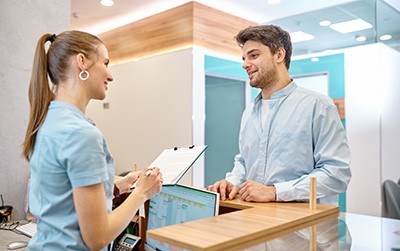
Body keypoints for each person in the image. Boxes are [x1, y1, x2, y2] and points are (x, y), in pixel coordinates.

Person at [22, 30, 163, 250]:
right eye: (105, 63)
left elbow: (62, 196)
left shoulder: (48, 120)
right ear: (82, 62)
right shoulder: (81, 134)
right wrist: (141, 193)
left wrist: (116, 187)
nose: (110, 75)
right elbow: (97, 237)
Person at [207, 25, 351, 205]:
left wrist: (275, 192)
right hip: (257, 218)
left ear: (279, 55)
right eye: (244, 58)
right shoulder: (249, 112)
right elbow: (244, 161)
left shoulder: (318, 106)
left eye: (254, 55)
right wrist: (232, 182)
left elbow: (336, 174)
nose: (245, 64)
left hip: (304, 227)